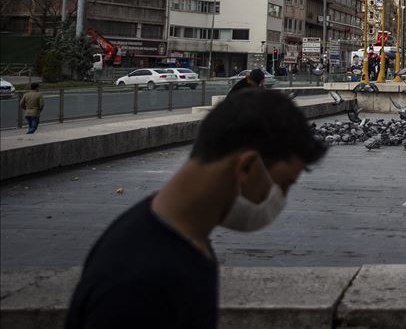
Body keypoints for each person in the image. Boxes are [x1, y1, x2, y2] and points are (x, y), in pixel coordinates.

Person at [66, 89, 327, 328]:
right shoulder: (139, 285)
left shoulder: (181, 238)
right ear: (246, 167)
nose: (281, 198)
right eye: (283, 184)